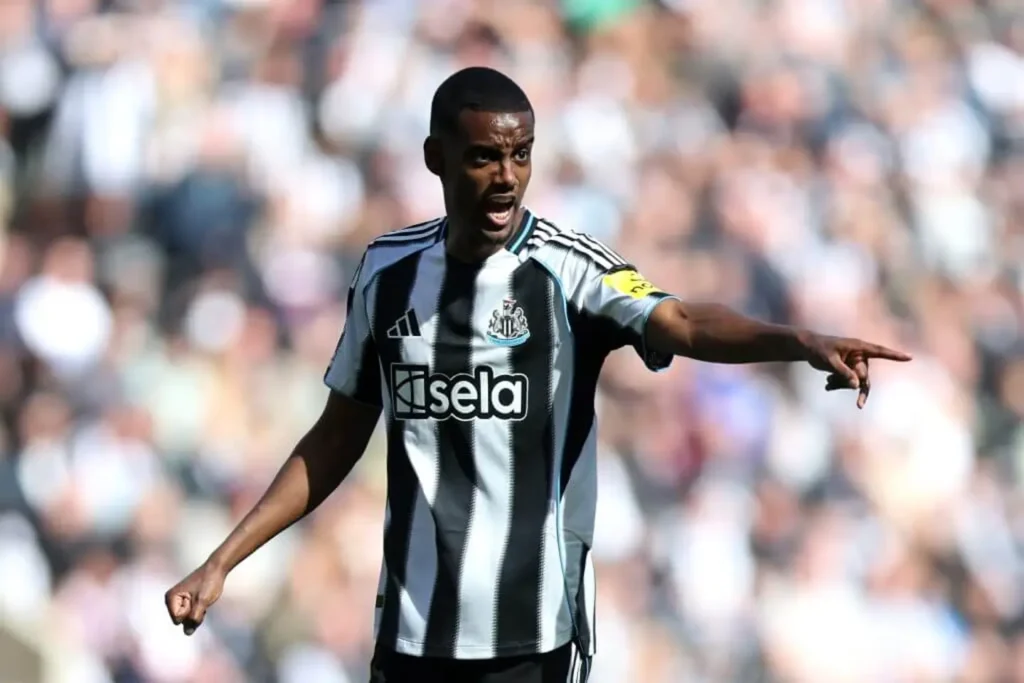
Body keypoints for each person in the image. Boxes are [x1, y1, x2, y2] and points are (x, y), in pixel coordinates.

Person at [164, 66, 911, 683]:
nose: (506, 178)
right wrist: (222, 561)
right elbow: (336, 435)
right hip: (413, 631)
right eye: (483, 157)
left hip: (532, 637)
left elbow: (680, 322)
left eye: (521, 155)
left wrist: (797, 340)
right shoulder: (387, 273)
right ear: (435, 158)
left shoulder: (568, 269)